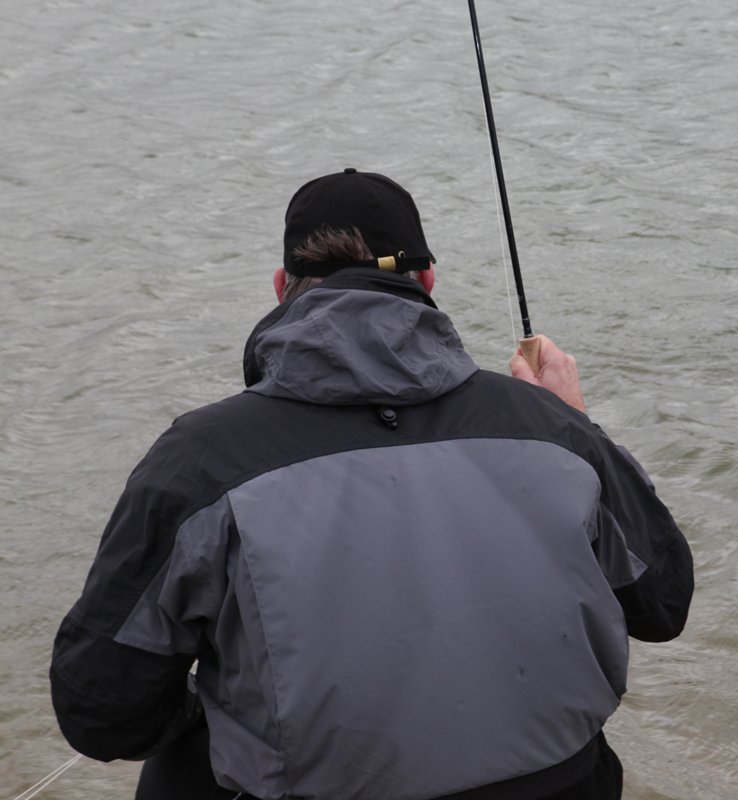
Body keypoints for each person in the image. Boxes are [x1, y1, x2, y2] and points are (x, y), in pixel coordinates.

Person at [49, 168, 694, 800]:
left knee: (178, 768)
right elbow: (662, 606)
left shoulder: (199, 458)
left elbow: (103, 710)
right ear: (427, 281)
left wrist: (211, 712)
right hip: (563, 787)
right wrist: (580, 424)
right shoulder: (557, 430)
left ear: (283, 287)